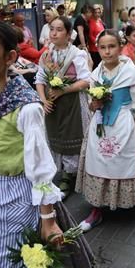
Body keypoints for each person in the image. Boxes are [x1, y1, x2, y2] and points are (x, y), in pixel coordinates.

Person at [0, 20, 63, 268]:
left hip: (15, 194)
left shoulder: (26, 107)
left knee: (12, 261)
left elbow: (40, 167)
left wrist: (48, 221)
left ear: (10, 57)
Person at [76, 29, 135, 231]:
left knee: (120, 160)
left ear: (120, 48)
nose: (107, 52)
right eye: (103, 47)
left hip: (123, 124)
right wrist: (94, 103)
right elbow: (90, 105)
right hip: (100, 124)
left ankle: (123, 201)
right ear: (98, 49)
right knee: (100, 161)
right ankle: (97, 208)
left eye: (112, 46)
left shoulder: (131, 74)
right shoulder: (96, 74)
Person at [36, 16, 91, 198]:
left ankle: (69, 175)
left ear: (68, 34)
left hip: (71, 102)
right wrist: (43, 100)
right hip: (52, 103)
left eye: (59, 29)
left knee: (71, 134)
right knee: (55, 135)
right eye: (52, 29)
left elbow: (86, 80)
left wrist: (63, 91)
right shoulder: (46, 54)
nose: (54, 33)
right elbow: (40, 79)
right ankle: (60, 170)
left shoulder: (77, 54)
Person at [88, 4, 106, 69]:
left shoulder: (100, 21)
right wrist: (96, 42)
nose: (97, 14)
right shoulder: (91, 22)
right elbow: (90, 35)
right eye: (95, 12)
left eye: (99, 12)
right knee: (96, 65)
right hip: (94, 48)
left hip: (101, 47)